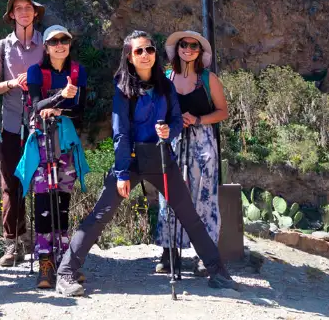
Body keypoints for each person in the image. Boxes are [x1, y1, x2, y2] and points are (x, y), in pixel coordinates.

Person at [54, 31, 238, 296]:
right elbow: (120, 133)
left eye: (149, 50)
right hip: (130, 161)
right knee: (101, 215)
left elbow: (175, 120)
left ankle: (217, 271)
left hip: (162, 158)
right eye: (138, 51)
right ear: (129, 56)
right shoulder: (122, 89)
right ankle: (66, 273)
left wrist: (169, 132)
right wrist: (121, 174)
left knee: (190, 216)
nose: (145, 55)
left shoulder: (166, 85)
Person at [18, 25, 88, 289]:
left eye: (65, 40)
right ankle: (45, 261)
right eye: (54, 41)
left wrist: (57, 107)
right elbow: (36, 105)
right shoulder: (37, 71)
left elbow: (80, 110)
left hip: (66, 141)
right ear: (46, 47)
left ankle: (64, 260)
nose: (60, 45)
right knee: (44, 199)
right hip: (42, 141)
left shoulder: (78, 71)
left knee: (62, 201)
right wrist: (61, 97)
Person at [155, 30, 229, 275]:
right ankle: (169, 251)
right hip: (173, 141)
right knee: (170, 193)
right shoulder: (166, 78)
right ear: (176, 49)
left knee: (204, 196)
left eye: (194, 46)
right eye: (183, 45)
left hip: (202, 142)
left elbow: (222, 111)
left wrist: (198, 119)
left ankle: (205, 254)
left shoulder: (209, 79)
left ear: (200, 51)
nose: (188, 49)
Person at [0, 0, 48, 266]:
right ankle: (13, 243)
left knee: (46, 184)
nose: (23, 12)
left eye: (28, 8)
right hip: (12, 124)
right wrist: (11, 84)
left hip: (43, 123)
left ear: (35, 13)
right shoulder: (2, 47)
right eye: (18, 8)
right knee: (11, 184)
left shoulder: (47, 43)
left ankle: (47, 241)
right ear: (11, 15)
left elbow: (59, 74)